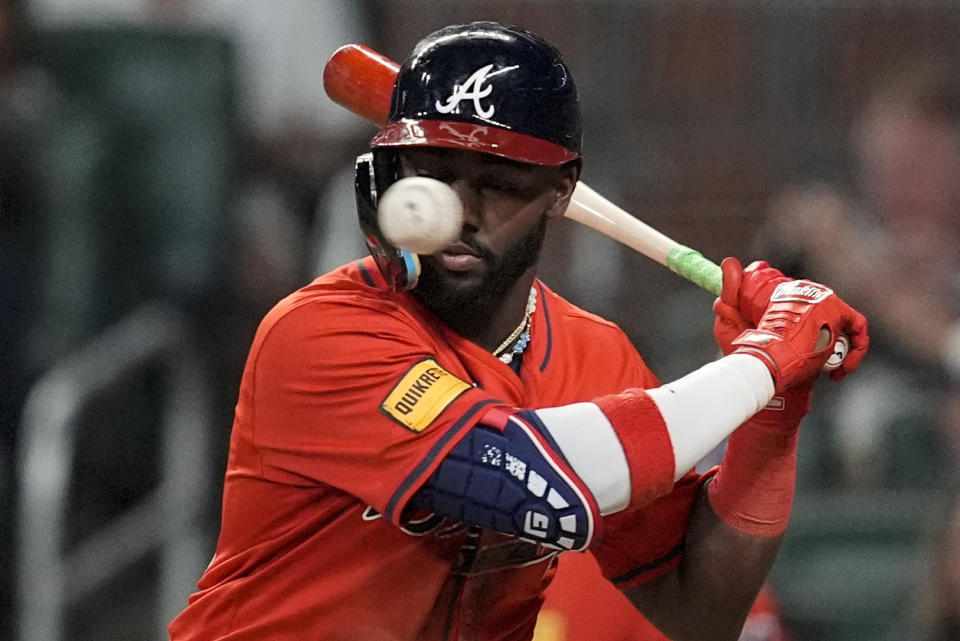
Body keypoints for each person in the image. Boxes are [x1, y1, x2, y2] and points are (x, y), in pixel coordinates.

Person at [168, 22, 868, 641]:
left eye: (498, 181)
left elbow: (699, 610)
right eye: (432, 174)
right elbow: (536, 482)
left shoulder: (595, 354)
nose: (457, 212)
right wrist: (760, 364)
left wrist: (773, 418)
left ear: (560, 193)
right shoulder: (320, 334)